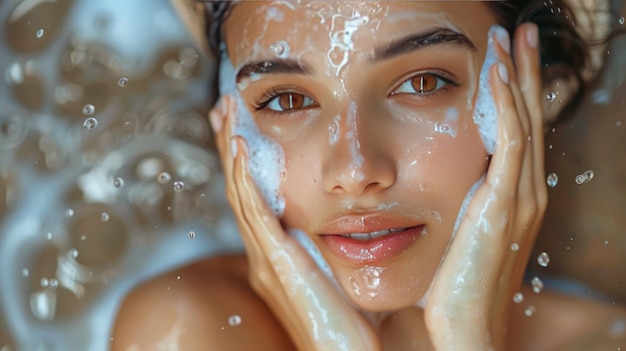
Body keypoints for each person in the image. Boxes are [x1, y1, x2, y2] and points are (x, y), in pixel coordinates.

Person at [111, 1, 626, 350]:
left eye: (422, 83)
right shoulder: (186, 328)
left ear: (533, 92)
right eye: (287, 100)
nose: (355, 171)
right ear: (229, 125)